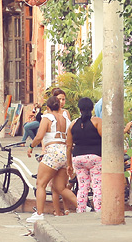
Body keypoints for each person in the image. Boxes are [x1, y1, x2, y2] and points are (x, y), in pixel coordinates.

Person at [27, 88, 77, 220]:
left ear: (48, 107)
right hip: (65, 152)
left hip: (53, 152)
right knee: (61, 187)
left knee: (41, 184)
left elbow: (39, 137)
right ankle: (83, 207)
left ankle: (39, 214)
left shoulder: (47, 117)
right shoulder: (66, 118)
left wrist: (31, 146)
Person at [70, 96, 104, 213]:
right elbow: (105, 139)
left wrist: (69, 164)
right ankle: (99, 210)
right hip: (95, 157)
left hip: (78, 158)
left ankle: (81, 210)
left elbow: (69, 145)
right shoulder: (97, 122)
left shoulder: (73, 124)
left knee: (82, 186)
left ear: (79, 109)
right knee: (97, 186)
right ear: (92, 108)